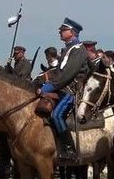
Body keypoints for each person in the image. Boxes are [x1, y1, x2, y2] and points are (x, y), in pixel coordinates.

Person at [37, 19, 88, 160]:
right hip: (61, 87)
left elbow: (67, 75)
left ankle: (70, 149)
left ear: (72, 32)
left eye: (63, 30)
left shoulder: (78, 49)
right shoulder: (68, 48)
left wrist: (47, 87)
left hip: (71, 90)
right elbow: (59, 73)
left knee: (56, 115)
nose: (60, 32)